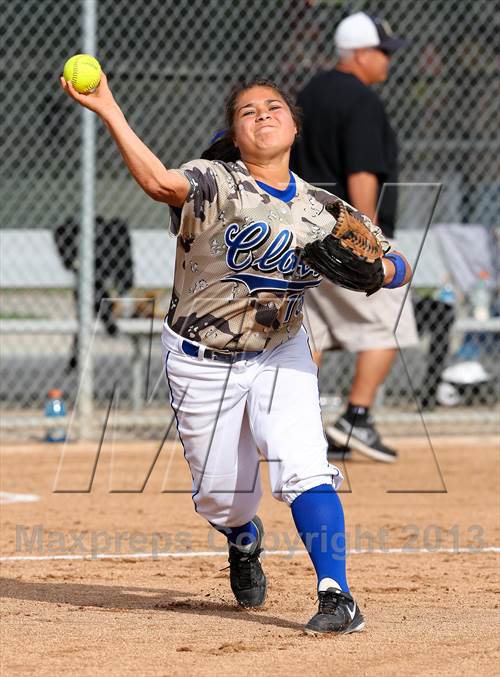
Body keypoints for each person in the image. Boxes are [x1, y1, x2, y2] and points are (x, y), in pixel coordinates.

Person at [61, 69, 411, 635]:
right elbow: (156, 181)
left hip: (282, 354)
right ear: (234, 132)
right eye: (248, 111)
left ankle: (336, 594)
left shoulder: (324, 210)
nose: (263, 115)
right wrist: (107, 107)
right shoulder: (213, 181)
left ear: (295, 126)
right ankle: (243, 539)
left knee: (304, 467)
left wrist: (381, 269)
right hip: (202, 358)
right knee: (224, 500)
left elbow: (397, 262)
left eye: (274, 107)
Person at [291, 11, 419, 463]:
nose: (388, 61)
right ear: (360, 54)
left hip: (304, 231)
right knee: (392, 320)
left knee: (314, 335)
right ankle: (356, 417)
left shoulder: (309, 93)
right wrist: (369, 234)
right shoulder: (362, 101)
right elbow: (361, 169)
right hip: (346, 234)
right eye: (383, 52)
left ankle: (295, 424)